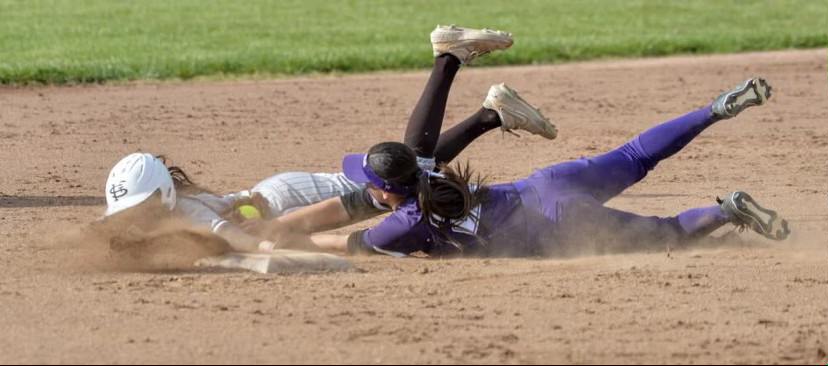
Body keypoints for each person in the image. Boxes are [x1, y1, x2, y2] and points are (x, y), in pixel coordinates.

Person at [101, 25, 557, 252]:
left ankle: (449, 59)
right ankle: (490, 113)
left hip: (294, 199)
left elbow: (237, 242)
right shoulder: (167, 208)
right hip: (282, 195)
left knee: (411, 169)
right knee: (414, 167)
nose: (131, 215)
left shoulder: (188, 212)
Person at [282, 78, 791, 257]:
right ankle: (713, 109)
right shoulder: (425, 167)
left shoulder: (405, 225)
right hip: (547, 183)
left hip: (560, 224)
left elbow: (348, 243)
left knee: (668, 234)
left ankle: (728, 210)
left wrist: (288, 240)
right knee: (638, 155)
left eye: (371, 183)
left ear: (390, 192)